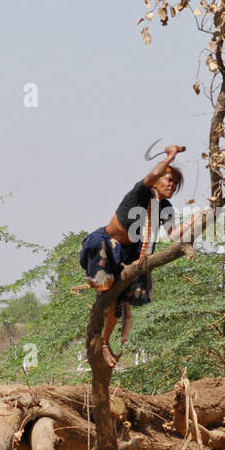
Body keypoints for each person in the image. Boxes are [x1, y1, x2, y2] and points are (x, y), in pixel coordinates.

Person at [78, 144, 192, 368]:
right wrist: (171, 156)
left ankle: (104, 342)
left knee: (117, 302)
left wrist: (203, 218)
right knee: (106, 290)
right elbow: (151, 175)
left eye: (175, 183)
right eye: (168, 179)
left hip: (130, 253)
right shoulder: (141, 192)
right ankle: (98, 334)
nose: (172, 185)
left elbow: (175, 234)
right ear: (158, 179)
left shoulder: (165, 207)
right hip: (107, 243)